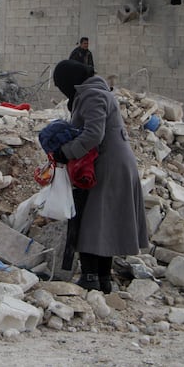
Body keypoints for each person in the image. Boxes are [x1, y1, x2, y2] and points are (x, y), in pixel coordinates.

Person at [51, 59, 148, 293]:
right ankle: (103, 279)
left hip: (107, 165)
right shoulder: (98, 92)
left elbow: (94, 133)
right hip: (114, 163)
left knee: (90, 220)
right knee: (106, 221)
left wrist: (66, 152)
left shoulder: (92, 95)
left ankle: (91, 276)